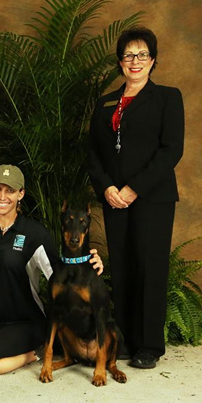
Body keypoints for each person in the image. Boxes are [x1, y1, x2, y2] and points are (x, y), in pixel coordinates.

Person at [0, 165, 103, 375]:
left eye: (10, 190)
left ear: (21, 194)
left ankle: (32, 354)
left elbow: (62, 274)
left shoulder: (36, 234)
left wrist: (90, 263)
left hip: (24, 322)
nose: (2, 196)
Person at [87, 27, 184, 369]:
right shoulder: (105, 102)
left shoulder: (168, 98)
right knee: (124, 267)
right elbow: (94, 153)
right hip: (114, 199)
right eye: (129, 55)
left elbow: (171, 150)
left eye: (142, 54)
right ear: (120, 62)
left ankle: (150, 346)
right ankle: (125, 340)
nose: (135, 61)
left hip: (152, 198)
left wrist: (133, 188)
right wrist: (108, 188)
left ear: (153, 60)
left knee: (149, 268)